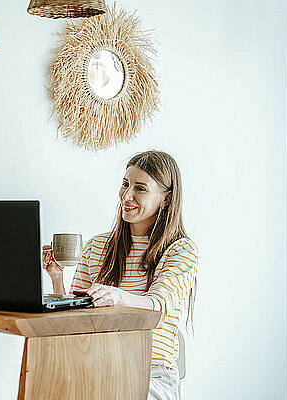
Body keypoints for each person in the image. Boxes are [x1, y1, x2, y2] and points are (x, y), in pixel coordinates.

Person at [42, 150, 197, 400]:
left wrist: (118, 297)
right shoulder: (96, 247)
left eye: (140, 188)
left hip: (151, 374)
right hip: (97, 368)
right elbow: (71, 322)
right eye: (125, 184)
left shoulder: (180, 250)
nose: (127, 195)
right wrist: (57, 278)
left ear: (166, 198)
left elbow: (158, 305)